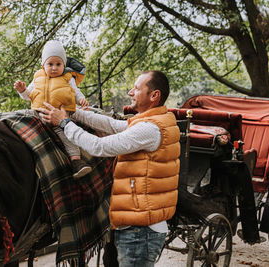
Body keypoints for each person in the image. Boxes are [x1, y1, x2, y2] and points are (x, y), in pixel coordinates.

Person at [39, 70, 180, 267]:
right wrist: (73, 111)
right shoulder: (153, 121)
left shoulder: (149, 129)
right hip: (137, 225)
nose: (131, 92)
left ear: (154, 96)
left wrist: (64, 123)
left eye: (137, 88)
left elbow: (100, 147)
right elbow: (112, 125)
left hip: (140, 231)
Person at [14, 40, 92, 179]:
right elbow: (28, 96)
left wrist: (81, 100)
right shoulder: (38, 77)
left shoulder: (68, 77)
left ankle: (76, 161)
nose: (54, 67)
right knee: (20, 122)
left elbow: (75, 92)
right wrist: (22, 90)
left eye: (58, 64)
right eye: (50, 64)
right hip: (38, 115)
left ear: (64, 64)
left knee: (67, 135)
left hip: (58, 118)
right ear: (43, 65)